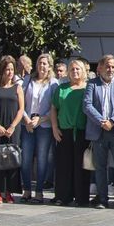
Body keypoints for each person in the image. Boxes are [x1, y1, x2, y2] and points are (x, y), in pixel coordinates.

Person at [84, 54, 114, 210]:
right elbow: (87, 105)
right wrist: (101, 121)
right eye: (107, 66)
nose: (110, 69)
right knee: (100, 167)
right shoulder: (92, 84)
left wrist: (112, 121)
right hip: (98, 131)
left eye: (113, 66)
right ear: (100, 67)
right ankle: (102, 199)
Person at [50, 59, 91, 207]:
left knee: (81, 166)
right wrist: (55, 128)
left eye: (78, 69)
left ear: (83, 71)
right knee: (64, 165)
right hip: (64, 131)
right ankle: (63, 196)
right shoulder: (61, 88)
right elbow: (54, 108)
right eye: (72, 69)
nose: (75, 72)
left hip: (82, 131)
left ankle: (81, 197)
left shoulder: (88, 88)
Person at [0, 56, 25, 203]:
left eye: (12, 69)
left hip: (12, 127)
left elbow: (21, 108)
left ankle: (9, 191)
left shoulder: (18, 87)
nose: (9, 72)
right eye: (7, 69)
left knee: (12, 158)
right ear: (2, 70)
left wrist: (13, 126)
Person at [21, 54, 56, 204]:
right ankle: (27, 190)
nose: (42, 66)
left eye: (45, 64)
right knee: (26, 158)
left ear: (49, 66)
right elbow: (20, 103)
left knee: (42, 159)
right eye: (40, 63)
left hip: (44, 125)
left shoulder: (54, 83)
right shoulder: (28, 80)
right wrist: (27, 119)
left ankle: (39, 191)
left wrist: (42, 118)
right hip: (27, 124)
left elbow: (55, 107)